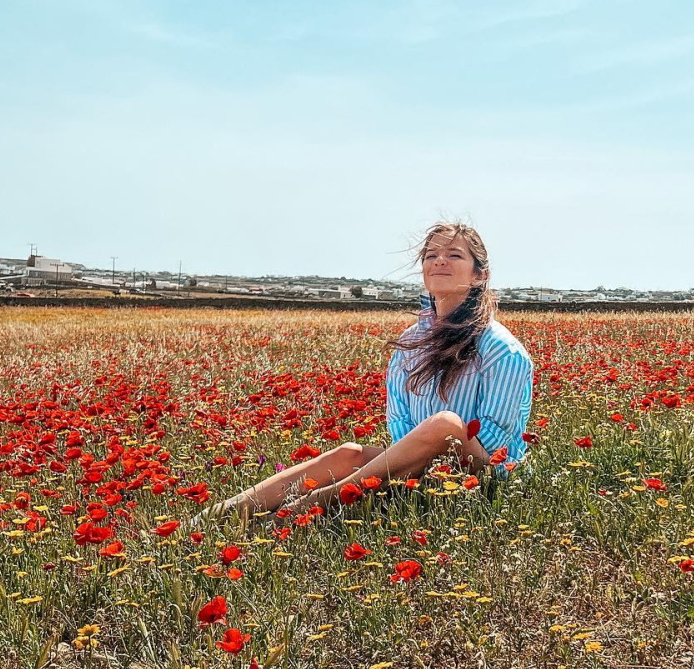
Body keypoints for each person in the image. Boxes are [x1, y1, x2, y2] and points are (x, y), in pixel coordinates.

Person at [190, 222, 534, 526]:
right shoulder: (412, 341)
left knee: (445, 423)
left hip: (483, 470)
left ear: (479, 275)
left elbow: (497, 441)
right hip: (420, 463)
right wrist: (411, 461)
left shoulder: (501, 348)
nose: (439, 261)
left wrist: (428, 460)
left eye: (454, 255)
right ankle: (218, 516)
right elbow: (399, 420)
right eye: (431, 255)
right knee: (349, 453)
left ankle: (313, 504)